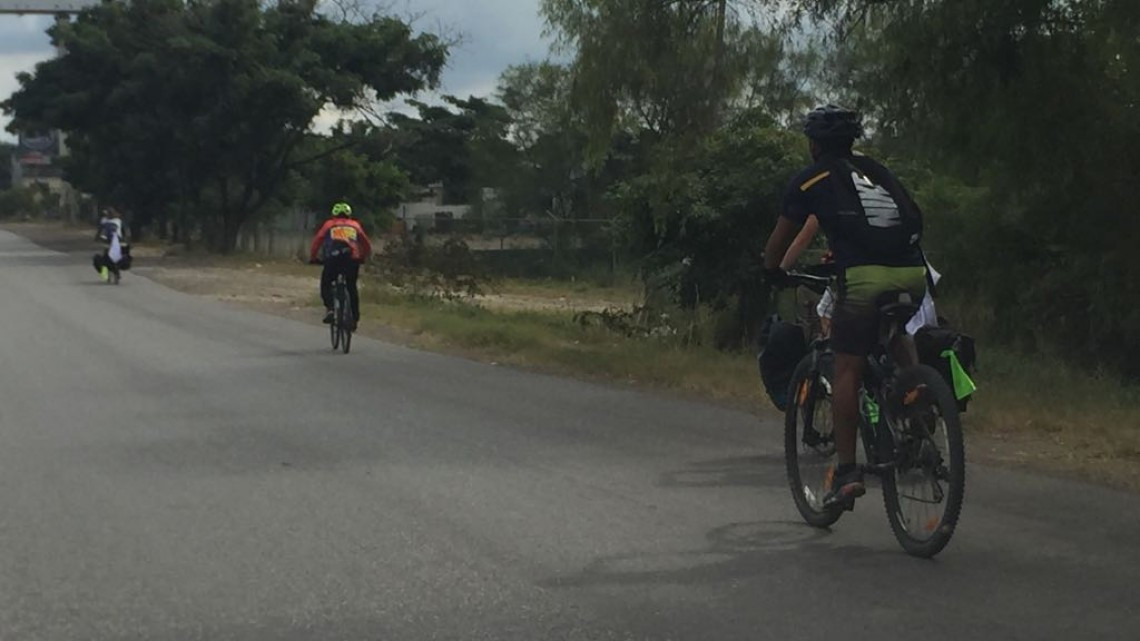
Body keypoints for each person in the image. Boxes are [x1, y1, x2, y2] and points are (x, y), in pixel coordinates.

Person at [763, 105, 927, 509]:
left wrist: (771, 270)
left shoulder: (811, 180)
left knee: (846, 365)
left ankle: (849, 471)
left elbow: (781, 240)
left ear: (814, 144)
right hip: (913, 274)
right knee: (896, 335)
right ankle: (920, 409)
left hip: (864, 280)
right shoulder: (876, 170)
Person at [309, 202, 372, 329]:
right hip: (352, 259)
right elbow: (366, 244)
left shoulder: (329, 225)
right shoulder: (355, 225)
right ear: (349, 215)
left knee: (326, 283)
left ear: (334, 214)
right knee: (351, 287)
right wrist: (363, 257)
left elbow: (317, 241)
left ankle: (331, 308)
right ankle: (354, 318)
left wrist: (313, 258)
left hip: (333, 259)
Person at [94, 208, 126, 283]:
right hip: (118, 240)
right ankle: (116, 272)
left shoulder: (104, 221)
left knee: (104, 258)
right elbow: (124, 231)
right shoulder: (119, 221)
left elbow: (99, 231)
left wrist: (97, 238)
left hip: (107, 242)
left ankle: (105, 274)